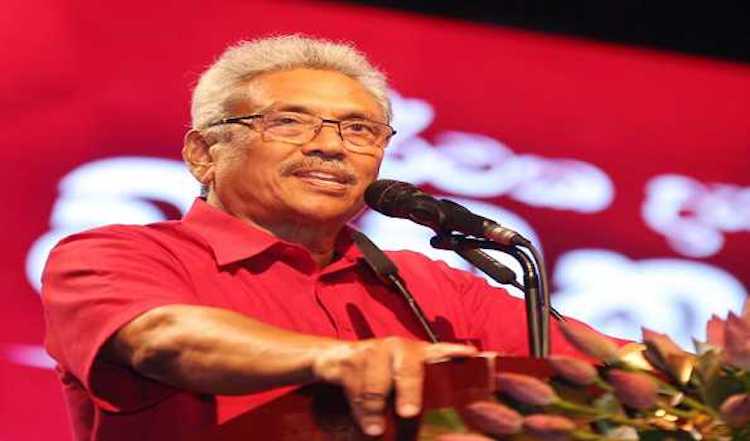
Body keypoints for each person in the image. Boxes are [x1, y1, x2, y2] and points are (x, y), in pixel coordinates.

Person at [42, 35, 602, 441]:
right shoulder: (116, 254)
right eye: (288, 121)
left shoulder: (431, 286)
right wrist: (338, 359)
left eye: (359, 129)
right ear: (204, 153)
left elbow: (614, 374)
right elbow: (164, 339)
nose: (331, 147)